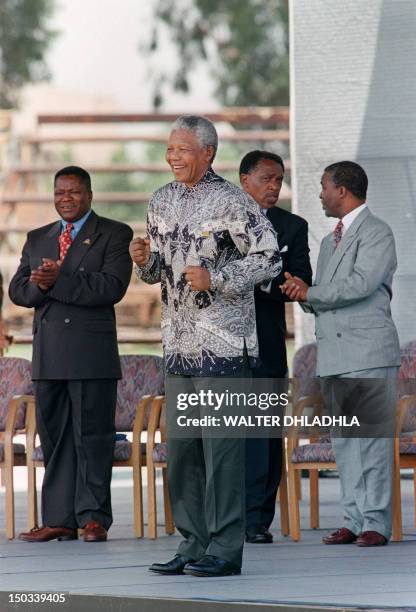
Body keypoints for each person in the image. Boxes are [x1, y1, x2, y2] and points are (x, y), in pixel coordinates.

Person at [130, 116, 281, 576]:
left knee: (223, 457)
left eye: (182, 148)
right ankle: (191, 543)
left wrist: (219, 278)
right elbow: (159, 274)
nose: (172, 156)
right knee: (183, 456)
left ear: (208, 152)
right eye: (170, 148)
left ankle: (225, 550)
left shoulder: (235, 201)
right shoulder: (160, 200)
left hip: (223, 347)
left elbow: (270, 257)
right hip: (178, 346)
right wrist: (146, 262)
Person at [9, 166, 133, 543]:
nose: (66, 198)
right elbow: (18, 291)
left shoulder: (114, 233)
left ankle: (93, 518)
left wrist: (56, 280)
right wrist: (42, 285)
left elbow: (110, 287)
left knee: (93, 437)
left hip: (91, 356)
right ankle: (59, 518)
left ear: (90, 195)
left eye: (74, 192)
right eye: (60, 192)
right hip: (49, 357)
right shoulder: (38, 237)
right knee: (56, 439)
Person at [281, 161, 401, 547]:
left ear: (343, 190)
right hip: (335, 355)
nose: (320, 194)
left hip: (367, 353)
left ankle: (375, 524)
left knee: (372, 443)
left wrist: (310, 293)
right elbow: (325, 294)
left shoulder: (377, 232)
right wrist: (304, 291)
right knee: (347, 442)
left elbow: (361, 284)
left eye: (323, 187)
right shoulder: (329, 240)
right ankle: (352, 517)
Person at [239, 150, 312, 543]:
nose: (273, 187)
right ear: (244, 179)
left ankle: (256, 520)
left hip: (266, 347)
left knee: (264, 435)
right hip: (223, 348)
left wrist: (256, 282)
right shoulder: (219, 225)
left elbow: (298, 280)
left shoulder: (292, 226)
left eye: (279, 180)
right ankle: (224, 515)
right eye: (266, 178)